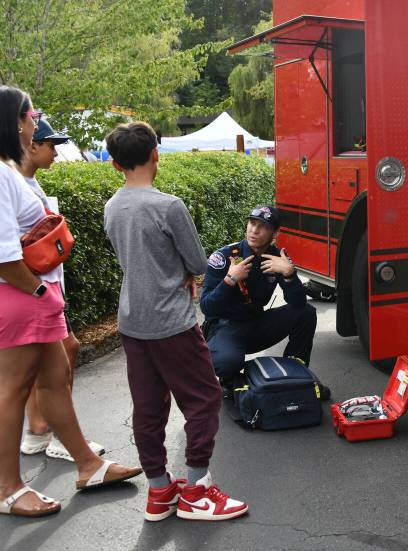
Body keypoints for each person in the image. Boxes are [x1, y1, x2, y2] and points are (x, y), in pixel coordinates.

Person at [0, 86, 141, 518]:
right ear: (16, 120)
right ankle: (8, 487)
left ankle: (88, 465)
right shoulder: (2, 175)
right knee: (13, 390)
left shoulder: (7, 170)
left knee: (56, 377)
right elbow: (4, 255)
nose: (34, 122)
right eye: (32, 115)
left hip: (32, 296)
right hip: (23, 295)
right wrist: (41, 293)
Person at [103, 121, 247, 522]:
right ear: (155, 154)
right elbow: (198, 262)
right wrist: (185, 273)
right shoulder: (168, 206)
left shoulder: (112, 206)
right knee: (203, 398)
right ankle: (197, 488)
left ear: (115, 165)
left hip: (133, 320)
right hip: (172, 322)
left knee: (148, 407)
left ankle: (159, 489)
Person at [18, 119, 105, 461]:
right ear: (30, 145)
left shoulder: (26, 182)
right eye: (49, 144)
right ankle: (58, 438)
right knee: (61, 356)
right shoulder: (16, 186)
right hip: (34, 291)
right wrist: (40, 290)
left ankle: (39, 430)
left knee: (38, 362)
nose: (56, 151)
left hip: (40, 287)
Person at [200, 205, 318, 388]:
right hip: (226, 328)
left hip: (256, 324)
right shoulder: (224, 257)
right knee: (226, 362)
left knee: (306, 313)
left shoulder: (277, 257)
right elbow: (206, 308)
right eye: (252, 223)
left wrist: (290, 275)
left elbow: (298, 304)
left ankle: (298, 374)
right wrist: (230, 280)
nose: (254, 230)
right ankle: (233, 381)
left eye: (262, 226)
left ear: (275, 233)